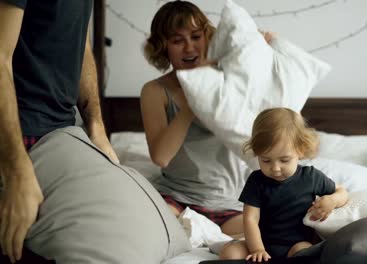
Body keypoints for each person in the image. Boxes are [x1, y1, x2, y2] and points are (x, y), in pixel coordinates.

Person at [140, 1, 276, 238]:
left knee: (271, 240)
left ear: (207, 37)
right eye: (177, 40)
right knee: (149, 234)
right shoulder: (155, 91)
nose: (189, 47)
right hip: (177, 199)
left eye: (195, 36)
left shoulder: (231, 78)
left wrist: (262, 50)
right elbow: (161, 157)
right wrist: (196, 96)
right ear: (164, 47)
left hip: (230, 203)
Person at [0, 1, 119, 263]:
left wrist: (96, 125)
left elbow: (82, 46)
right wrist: (15, 172)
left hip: (63, 132)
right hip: (19, 136)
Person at [219, 108, 349, 262]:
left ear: (300, 150)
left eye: (284, 160)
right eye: (266, 160)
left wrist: (332, 200)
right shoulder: (256, 180)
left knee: (305, 252)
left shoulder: (311, 177)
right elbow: (250, 219)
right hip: (260, 244)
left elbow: (342, 191)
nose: (275, 168)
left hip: (295, 246)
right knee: (230, 253)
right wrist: (257, 249)